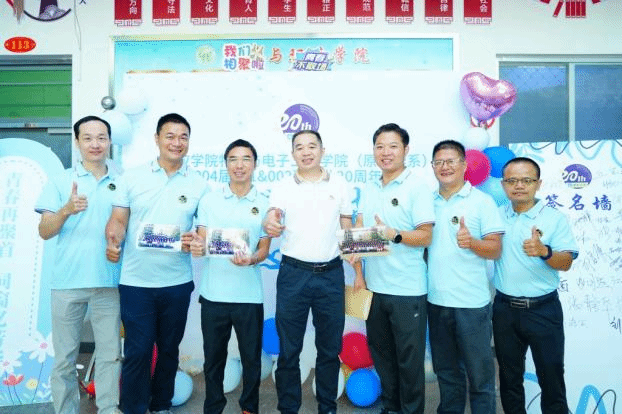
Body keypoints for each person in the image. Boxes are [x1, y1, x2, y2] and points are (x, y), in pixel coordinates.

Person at [105, 113, 208, 414]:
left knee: (168, 350)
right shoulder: (131, 177)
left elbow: (202, 233)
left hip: (177, 283)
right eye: (170, 136)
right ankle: (133, 408)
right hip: (136, 282)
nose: (177, 142)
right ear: (157, 139)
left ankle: (161, 405)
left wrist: (197, 241)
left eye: (183, 137)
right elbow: (118, 219)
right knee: (137, 350)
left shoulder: (199, 184)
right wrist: (113, 238)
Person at [35, 115, 122, 414]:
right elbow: (45, 231)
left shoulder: (124, 180)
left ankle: (109, 408)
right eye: (88, 138)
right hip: (67, 283)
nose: (95, 144)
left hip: (109, 282)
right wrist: (65, 210)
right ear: (77, 142)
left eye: (101, 137)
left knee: (110, 355)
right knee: (64, 359)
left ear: (110, 141)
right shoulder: (61, 181)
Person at [263, 130, 353, 414]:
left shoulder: (339, 184)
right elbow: (272, 216)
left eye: (312, 146)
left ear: (322, 150)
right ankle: (288, 408)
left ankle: (327, 407)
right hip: (294, 275)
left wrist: (359, 248)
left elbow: (347, 228)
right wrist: (269, 223)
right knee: (289, 350)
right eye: (299, 147)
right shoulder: (282, 186)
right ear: (292, 154)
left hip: (331, 275)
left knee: (329, 348)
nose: (306, 152)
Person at [353, 123, 434, 414]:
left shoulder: (417, 187)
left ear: (406, 150)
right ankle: (391, 408)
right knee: (383, 357)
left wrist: (394, 234)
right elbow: (363, 234)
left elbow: (426, 236)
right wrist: (357, 267)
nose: (385, 152)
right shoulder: (369, 188)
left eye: (392, 146)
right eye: (380, 146)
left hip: (407, 290)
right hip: (374, 289)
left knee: (409, 362)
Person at [188, 139, 271, 414]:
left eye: (246, 159)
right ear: (225, 164)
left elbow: (264, 249)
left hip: (249, 296)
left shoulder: (265, 203)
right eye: (233, 159)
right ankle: (213, 407)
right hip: (214, 295)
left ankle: (249, 407)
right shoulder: (210, 200)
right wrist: (197, 247)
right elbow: (201, 242)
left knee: (251, 360)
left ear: (255, 164)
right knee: (213, 359)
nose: (239, 165)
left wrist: (252, 259)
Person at [493, 157, 578, 414]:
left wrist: (544, 251)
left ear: (538, 184)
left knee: (551, 378)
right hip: (505, 310)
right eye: (512, 180)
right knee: (509, 379)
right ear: (503, 184)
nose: (519, 186)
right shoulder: (495, 216)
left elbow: (566, 262)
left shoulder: (554, 218)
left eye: (526, 180)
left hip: (543, 310)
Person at [427, 140, 503, 414]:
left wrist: (472, 243)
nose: (444, 167)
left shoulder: (482, 202)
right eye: (439, 162)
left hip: (472, 304)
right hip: (436, 302)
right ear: (432, 167)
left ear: (464, 165)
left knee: (480, 378)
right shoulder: (427, 203)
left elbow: (495, 249)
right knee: (447, 375)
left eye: (450, 161)